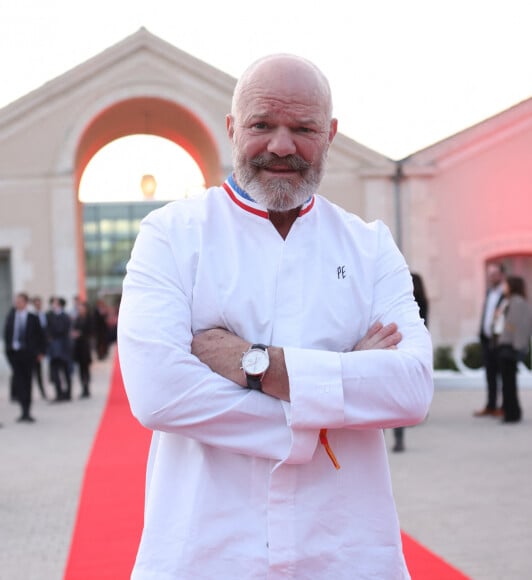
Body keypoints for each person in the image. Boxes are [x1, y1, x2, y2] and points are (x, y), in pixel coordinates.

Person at [118, 54, 433, 578]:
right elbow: (159, 394)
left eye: (303, 128)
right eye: (263, 124)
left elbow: (412, 388)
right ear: (232, 128)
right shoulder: (171, 235)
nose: (282, 145)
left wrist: (253, 363)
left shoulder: (370, 246)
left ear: (329, 134)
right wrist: (341, 384)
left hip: (345, 551)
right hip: (208, 550)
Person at [393, 272, 430, 452]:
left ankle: (398, 437)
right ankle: (397, 437)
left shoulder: (414, 304)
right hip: (402, 349)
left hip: (402, 349)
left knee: (399, 393)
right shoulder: (414, 303)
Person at [3, 292, 46, 422]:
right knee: (19, 382)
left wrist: (41, 352)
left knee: (28, 382)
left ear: (25, 303)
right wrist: (9, 351)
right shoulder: (11, 317)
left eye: (20, 301)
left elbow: (40, 336)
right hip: (15, 354)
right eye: (16, 301)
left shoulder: (32, 318)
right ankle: (22, 410)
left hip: (28, 354)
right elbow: (7, 335)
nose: (17, 303)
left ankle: (27, 410)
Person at [495, 276, 532, 423]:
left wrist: (517, 347)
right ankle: (511, 412)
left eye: (506, 285)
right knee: (508, 382)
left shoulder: (517, 303)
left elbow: (519, 326)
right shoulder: (510, 302)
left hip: (509, 347)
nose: (504, 287)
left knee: (509, 383)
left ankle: (512, 413)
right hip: (506, 345)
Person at [475, 262, 506, 417]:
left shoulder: (506, 294)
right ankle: (491, 405)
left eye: (494, 274)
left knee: (503, 375)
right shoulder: (489, 293)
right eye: (489, 274)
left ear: (501, 275)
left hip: (501, 342)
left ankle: (504, 407)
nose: (491, 277)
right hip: (487, 340)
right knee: (490, 375)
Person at [46, 297, 73, 401]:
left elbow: (62, 329)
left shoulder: (65, 316)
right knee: (55, 372)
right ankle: (59, 393)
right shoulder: (49, 315)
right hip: (54, 349)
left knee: (66, 371)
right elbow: (47, 330)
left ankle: (68, 393)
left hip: (64, 348)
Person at [71, 300, 93, 398]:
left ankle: (87, 387)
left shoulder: (89, 319)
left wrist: (81, 334)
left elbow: (91, 331)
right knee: (80, 369)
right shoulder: (77, 319)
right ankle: (83, 388)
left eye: (82, 308)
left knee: (86, 368)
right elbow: (74, 329)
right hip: (78, 347)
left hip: (85, 346)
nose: (80, 310)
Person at [30, 296, 48, 400]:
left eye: (39, 304)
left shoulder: (44, 315)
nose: (38, 305)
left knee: (39, 373)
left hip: (40, 348)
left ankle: (42, 391)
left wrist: (42, 351)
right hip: (32, 350)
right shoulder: (31, 317)